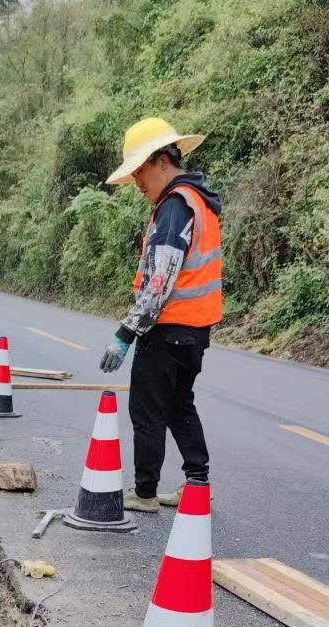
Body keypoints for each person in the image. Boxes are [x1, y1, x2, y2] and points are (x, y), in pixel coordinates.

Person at [99, 116, 221, 513]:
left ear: (162, 161)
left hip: (167, 329)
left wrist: (125, 333)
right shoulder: (199, 202)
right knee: (179, 405)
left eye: (139, 170)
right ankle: (197, 483)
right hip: (195, 330)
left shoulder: (174, 207)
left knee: (147, 409)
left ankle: (145, 492)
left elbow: (159, 283)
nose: (136, 181)